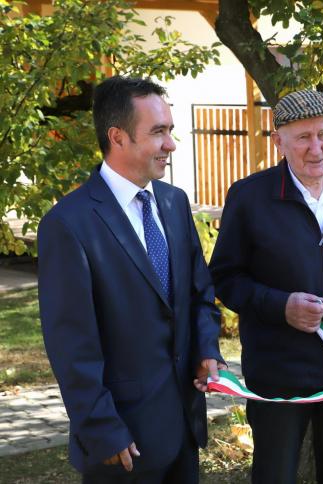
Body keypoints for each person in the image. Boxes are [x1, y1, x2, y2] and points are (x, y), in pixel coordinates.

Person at [37, 76, 225, 483]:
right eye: (158, 132)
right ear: (117, 137)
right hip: (122, 443)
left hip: (184, 429)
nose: (171, 144)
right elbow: (71, 345)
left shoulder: (175, 203)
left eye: (170, 130)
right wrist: (102, 429)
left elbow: (199, 294)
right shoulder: (67, 224)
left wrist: (207, 349)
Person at [208, 89, 323, 483]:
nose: (316, 148)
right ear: (279, 141)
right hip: (277, 371)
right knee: (274, 475)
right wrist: (281, 306)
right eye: (303, 138)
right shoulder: (250, 197)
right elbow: (225, 277)